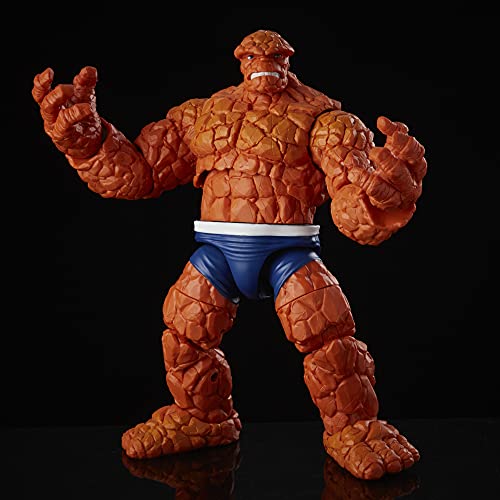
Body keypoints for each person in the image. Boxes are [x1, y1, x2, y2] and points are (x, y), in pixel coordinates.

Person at [32, 29, 427, 480]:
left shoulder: (327, 121)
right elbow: (138, 172)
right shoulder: (204, 116)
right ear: (241, 61)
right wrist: (89, 141)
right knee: (183, 336)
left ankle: (354, 429)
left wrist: (383, 197)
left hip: (289, 250)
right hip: (217, 249)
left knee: (328, 338)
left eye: (274, 55)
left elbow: (350, 204)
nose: (263, 62)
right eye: (252, 55)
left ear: (287, 60)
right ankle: (202, 418)